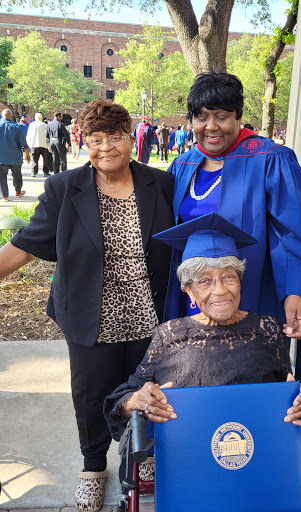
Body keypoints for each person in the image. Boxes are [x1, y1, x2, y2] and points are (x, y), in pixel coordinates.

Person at [0, 98, 174, 512]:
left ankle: (142, 457)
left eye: (115, 137)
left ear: (130, 139)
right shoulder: (65, 188)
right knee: (91, 395)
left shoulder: (159, 184)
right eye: (96, 139)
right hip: (89, 315)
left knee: (149, 392)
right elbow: (27, 245)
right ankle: (94, 466)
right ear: (85, 142)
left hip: (148, 315)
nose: (106, 147)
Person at [165, 72, 301, 405]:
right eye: (202, 117)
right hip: (193, 298)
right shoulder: (184, 163)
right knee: (195, 378)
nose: (211, 127)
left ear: (238, 116)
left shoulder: (268, 159)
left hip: (251, 295)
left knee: (247, 382)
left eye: (222, 116)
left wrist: (295, 293)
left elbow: (292, 234)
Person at [104, 213, 301, 442]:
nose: (220, 290)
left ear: (241, 280)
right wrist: (136, 401)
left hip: (256, 452)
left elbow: (287, 392)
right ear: (188, 290)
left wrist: (299, 400)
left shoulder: (268, 329)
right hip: (189, 455)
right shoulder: (169, 335)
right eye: (204, 281)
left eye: (229, 277)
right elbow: (122, 398)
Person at [0, 109, 29, 201]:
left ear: (2, 115)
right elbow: (24, 143)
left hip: (1, 157)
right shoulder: (16, 127)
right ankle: (18, 192)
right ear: (11, 116)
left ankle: (5, 196)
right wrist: (27, 155)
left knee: (2, 176)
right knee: (17, 175)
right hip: (15, 156)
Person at [26, 112, 51, 177]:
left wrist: (29, 144)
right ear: (41, 118)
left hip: (34, 144)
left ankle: (34, 172)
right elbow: (48, 135)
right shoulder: (45, 125)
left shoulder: (31, 125)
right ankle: (46, 171)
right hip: (44, 144)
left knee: (35, 159)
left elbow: (29, 135)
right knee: (45, 159)